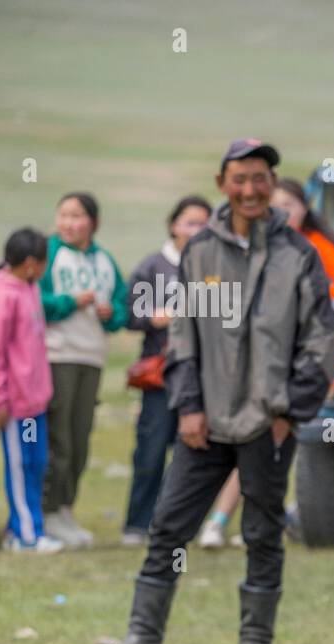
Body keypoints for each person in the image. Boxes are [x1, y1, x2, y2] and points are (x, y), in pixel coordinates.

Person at [99, 138, 334, 644]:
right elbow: (182, 338)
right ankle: (142, 637)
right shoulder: (201, 251)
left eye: (260, 178)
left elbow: (320, 344)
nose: (250, 189)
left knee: (261, 531)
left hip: (267, 424)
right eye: (240, 179)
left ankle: (255, 642)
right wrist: (187, 406)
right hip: (204, 422)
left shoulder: (298, 255)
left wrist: (287, 413)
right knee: (167, 526)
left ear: (271, 185)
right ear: (221, 184)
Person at [197, 177, 334, 550]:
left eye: (292, 204)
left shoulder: (315, 247)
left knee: (282, 441)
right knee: (254, 439)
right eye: (278, 204)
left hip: (302, 361)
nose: (284, 212)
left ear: (305, 209)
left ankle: (259, 520)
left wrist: (305, 298)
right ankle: (224, 521)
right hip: (260, 360)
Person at [39, 192, 129, 548]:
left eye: (77, 216)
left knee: (79, 438)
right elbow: (33, 299)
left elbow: (121, 306)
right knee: (58, 438)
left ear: (93, 222)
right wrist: (69, 302)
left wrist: (112, 316)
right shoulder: (48, 253)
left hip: (92, 358)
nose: (69, 224)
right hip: (56, 355)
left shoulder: (105, 260)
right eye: (63, 215)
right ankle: (47, 509)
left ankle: (65, 508)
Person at [121, 196, 212, 546]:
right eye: (189, 222)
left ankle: (179, 526)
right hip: (160, 377)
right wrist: (152, 317)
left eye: (203, 223)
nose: (196, 229)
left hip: (202, 378)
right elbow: (128, 316)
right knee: (151, 450)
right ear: (173, 224)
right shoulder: (151, 267)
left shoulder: (214, 267)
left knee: (193, 453)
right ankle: (137, 524)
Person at [0, 228, 61, 552]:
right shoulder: (5, 296)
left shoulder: (30, 288)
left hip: (34, 404)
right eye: (44, 262)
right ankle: (24, 536)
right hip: (13, 406)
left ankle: (30, 529)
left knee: (36, 464)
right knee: (19, 466)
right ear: (30, 263)